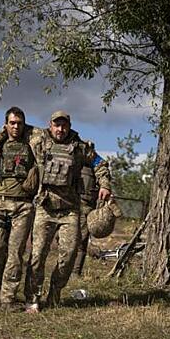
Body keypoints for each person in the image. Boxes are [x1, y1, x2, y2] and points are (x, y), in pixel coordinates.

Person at [25, 110, 112, 313]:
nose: (60, 129)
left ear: (69, 126)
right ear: (50, 125)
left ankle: (54, 293)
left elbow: (99, 164)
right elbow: (17, 130)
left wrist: (105, 184)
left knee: (69, 255)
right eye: (57, 125)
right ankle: (33, 298)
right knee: (37, 256)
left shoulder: (79, 147)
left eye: (64, 125)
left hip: (70, 211)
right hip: (44, 208)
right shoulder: (39, 141)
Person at [0, 107, 37, 311]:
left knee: (15, 251)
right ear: (6, 124)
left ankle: (8, 298)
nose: (16, 126)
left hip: (23, 205)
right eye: (12, 123)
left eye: (19, 122)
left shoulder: (32, 144)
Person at [73, 162, 98, 276]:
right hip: (72, 205)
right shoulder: (75, 160)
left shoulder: (95, 165)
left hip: (84, 206)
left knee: (81, 242)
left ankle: (75, 272)